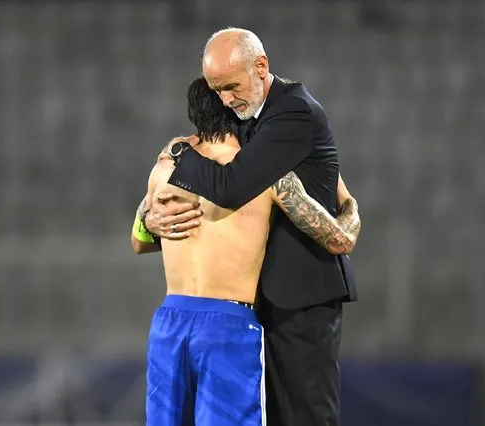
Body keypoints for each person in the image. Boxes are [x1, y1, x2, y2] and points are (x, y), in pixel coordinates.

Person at [140, 29, 361, 425]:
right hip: (252, 303)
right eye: (217, 91)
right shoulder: (246, 116)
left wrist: (176, 155)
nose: (226, 99)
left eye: (230, 87)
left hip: (301, 297)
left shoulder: (292, 111)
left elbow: (232, 188)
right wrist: (149, 220)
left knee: (304, 414)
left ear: (261, 67)